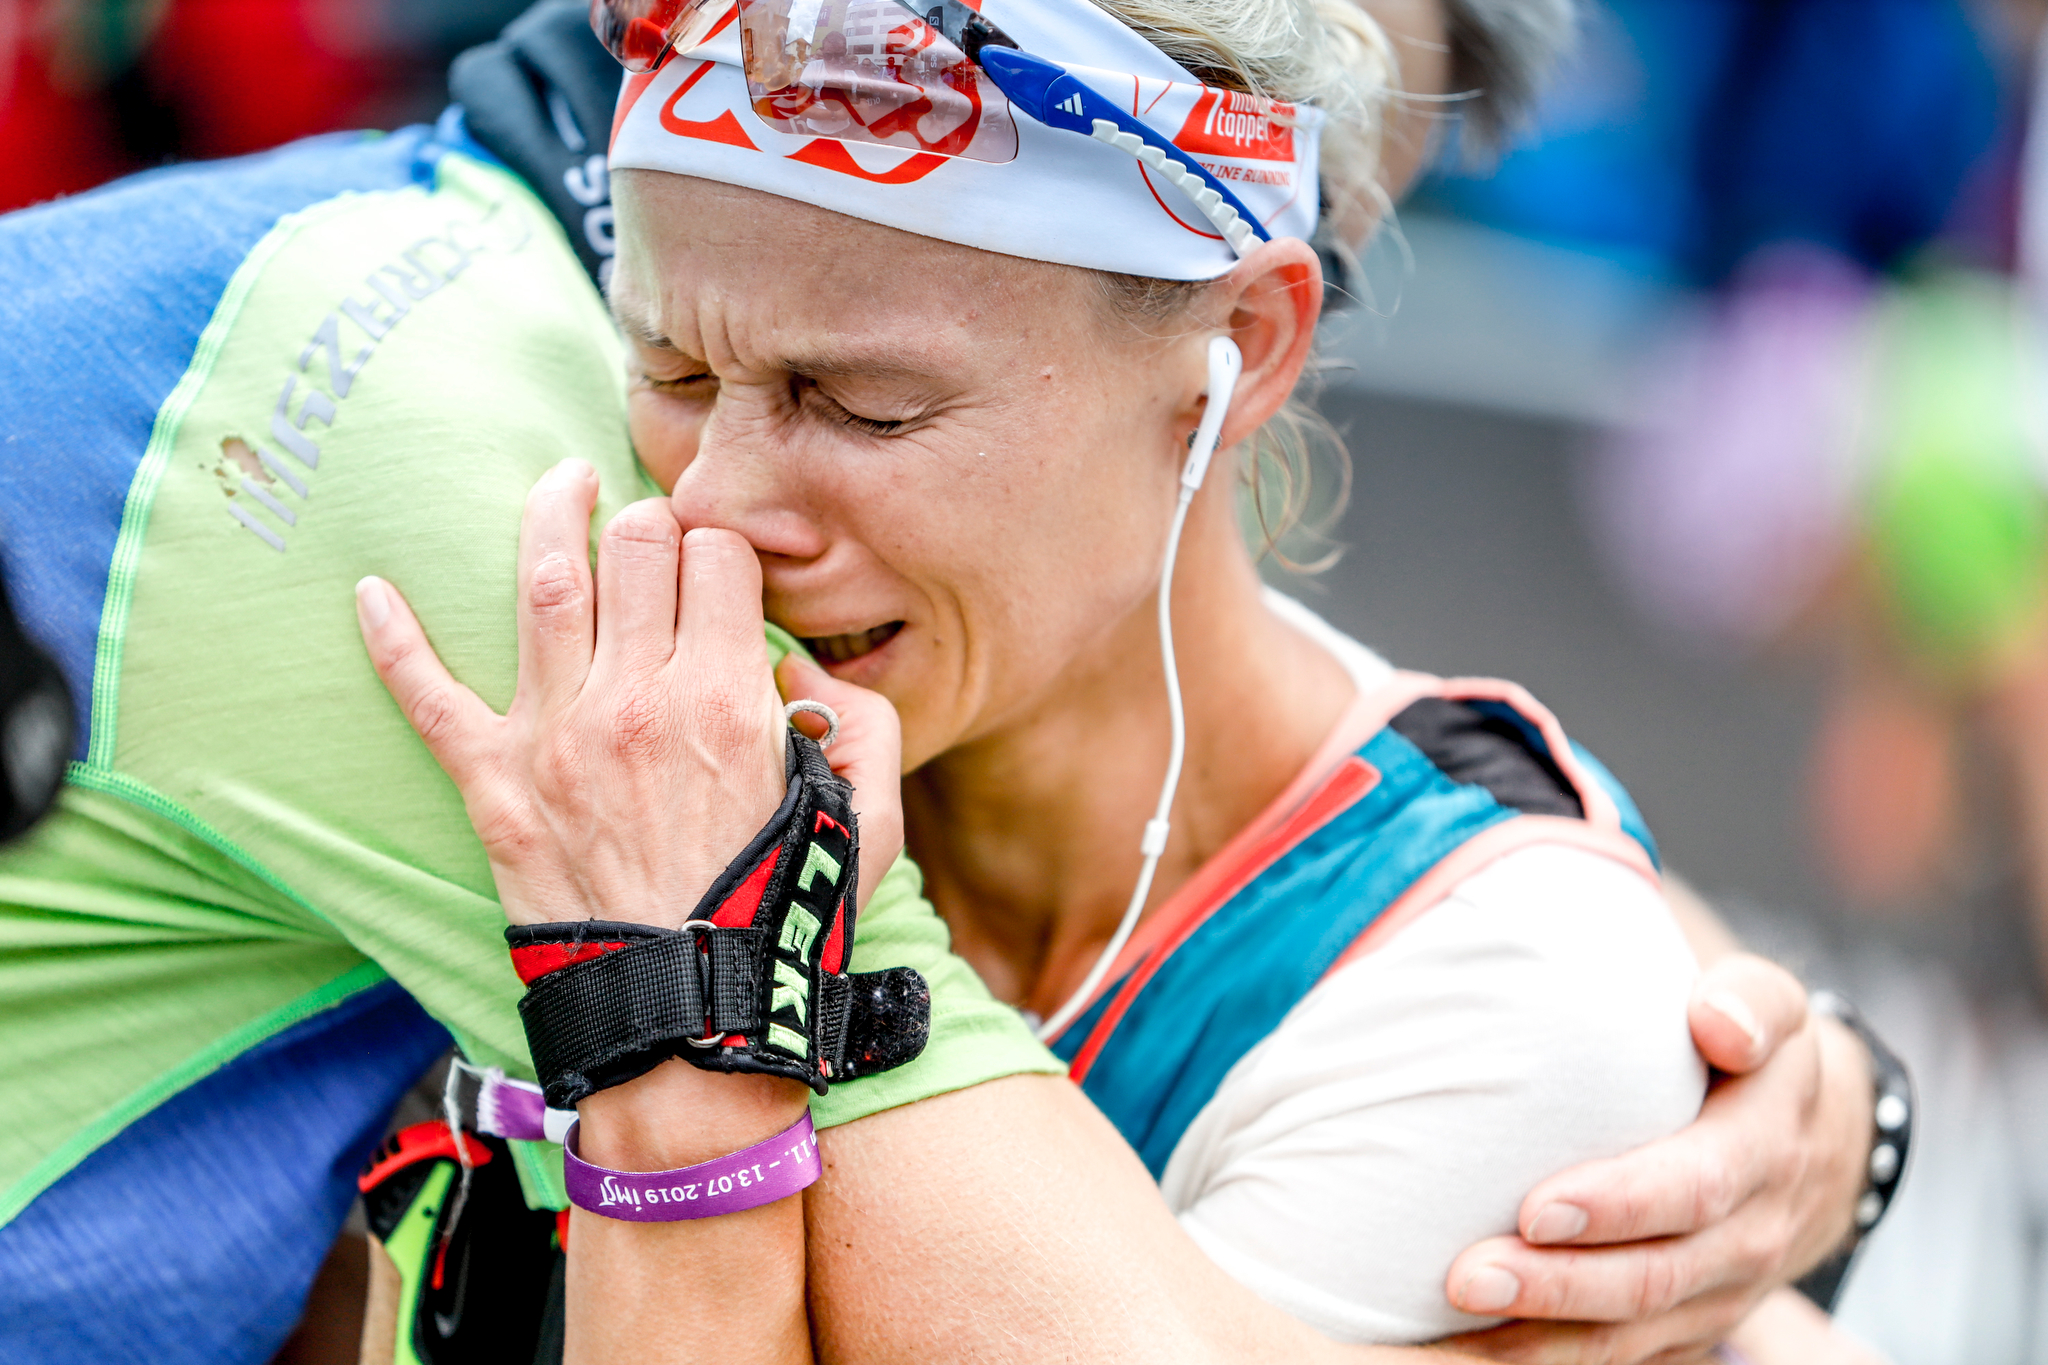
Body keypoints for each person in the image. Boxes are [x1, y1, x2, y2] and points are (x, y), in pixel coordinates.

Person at [0, 2, 1889, 1363]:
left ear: (1243, 351)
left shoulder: (1499, 966)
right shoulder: (509, 502)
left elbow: (1498, 932)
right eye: (675, 369)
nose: (716, 508)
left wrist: (1814, 1114)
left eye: (866, 405)